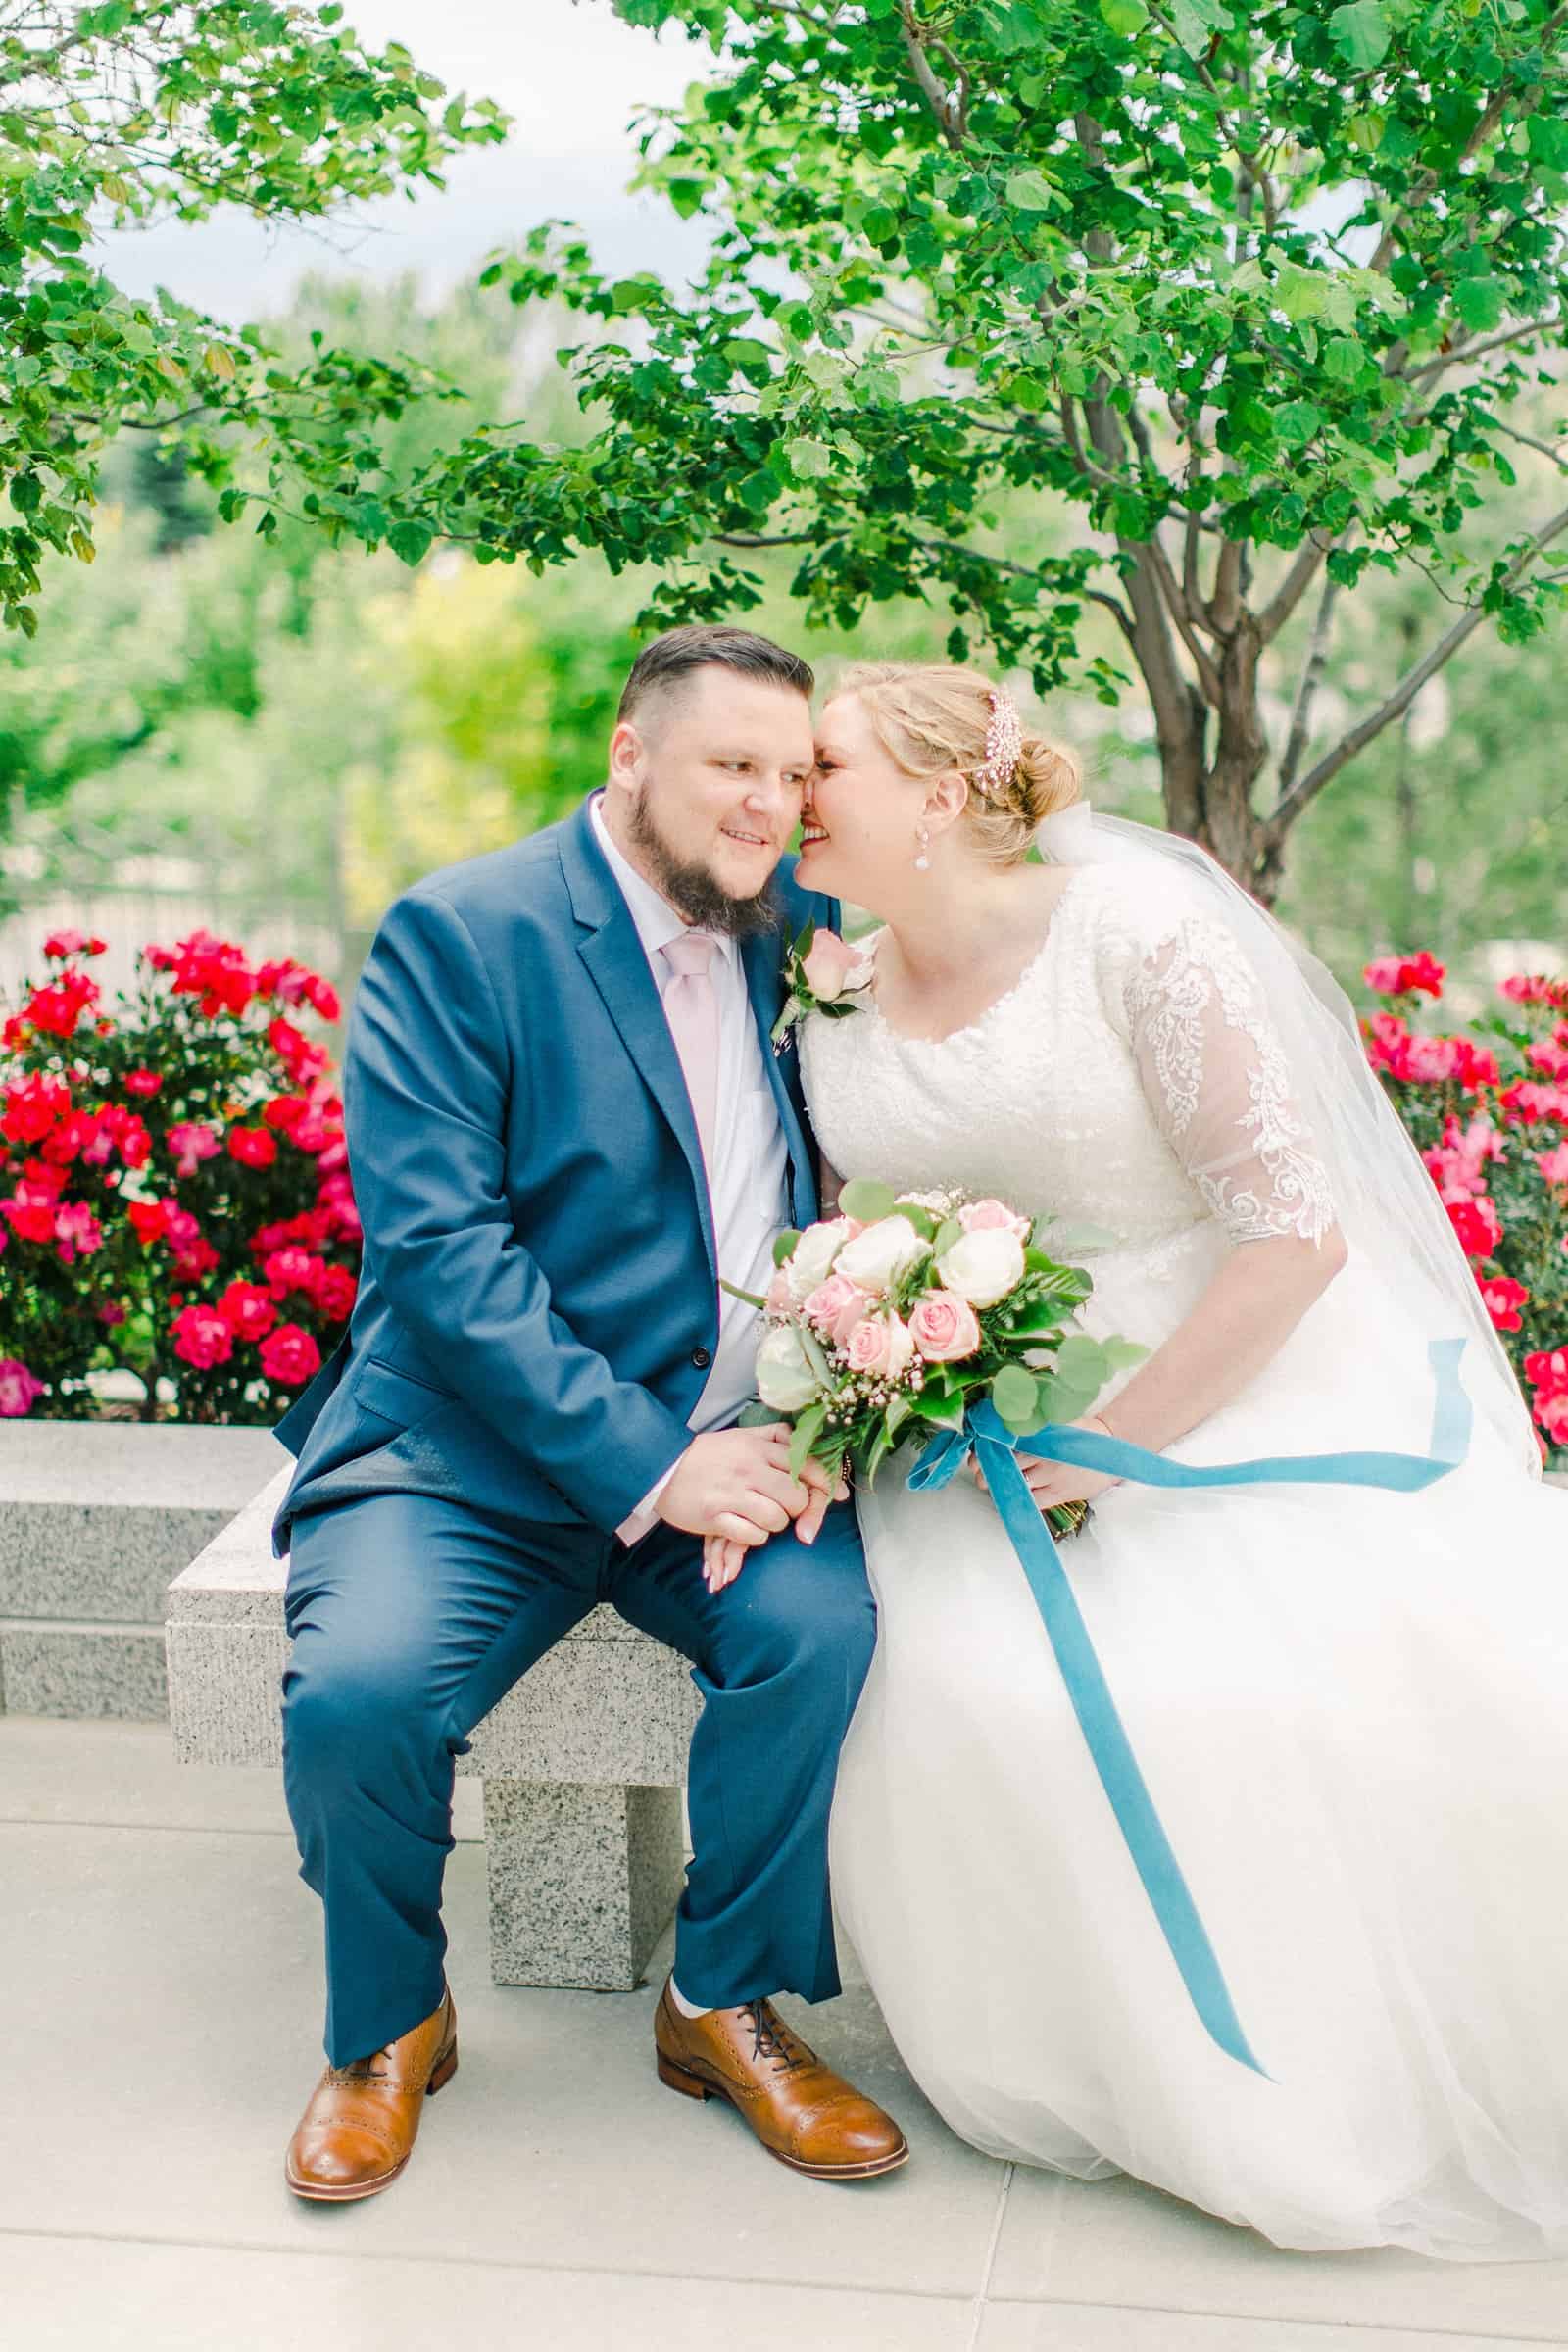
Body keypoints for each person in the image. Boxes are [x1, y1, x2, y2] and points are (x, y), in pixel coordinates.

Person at [779, 658, 1568, 2259]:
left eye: (824, 768)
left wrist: (1117, 1455)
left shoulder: (1139, 937)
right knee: (949, 1684)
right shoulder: (834, 983)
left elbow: (1289, 1235)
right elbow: (854, 1214)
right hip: (960, 1416)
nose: (792, 797)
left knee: (1255, 1691)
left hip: (1219, 1370)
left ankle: (1307, 2067)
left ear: (939, 799)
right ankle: (1073, 2052)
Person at [270, 625, 907, 2203]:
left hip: (741, 1445)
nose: (767, 805)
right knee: (354, 1699)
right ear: (631, 757)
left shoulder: (806, 936)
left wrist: (826, 1404)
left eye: (787, 772)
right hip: (469, 1463)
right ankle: (390, 2023)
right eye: (730, 767)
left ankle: (719, 2000)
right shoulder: (463, 934)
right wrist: (653, 1466)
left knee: (820, 1637)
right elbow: (441, 1258)